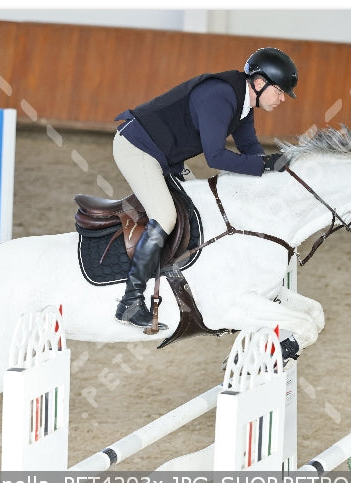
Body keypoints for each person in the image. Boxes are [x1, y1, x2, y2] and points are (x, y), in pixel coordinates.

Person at [113, 47, 298, 329]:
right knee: (165, 216)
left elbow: (250, 148)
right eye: (280, 91)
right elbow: (216, 157)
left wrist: (275, 176)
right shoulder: (219, 95)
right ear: (260, 83)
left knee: (204, 210)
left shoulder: (243, 104)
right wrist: (265, 165)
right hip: (138, 148)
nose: (283, 98)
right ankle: (130, 302)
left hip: (167, 158)